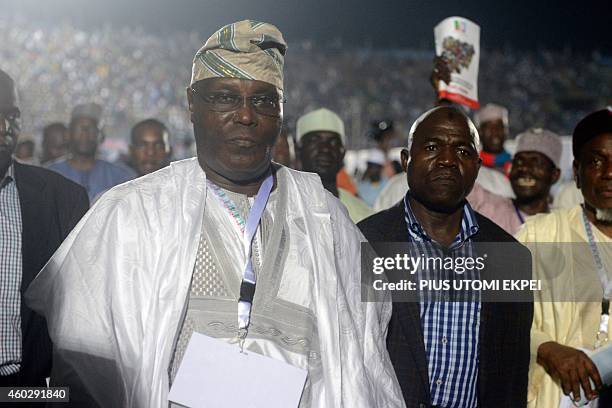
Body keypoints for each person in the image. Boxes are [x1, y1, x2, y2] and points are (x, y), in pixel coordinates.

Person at [26, 20, 404, 408]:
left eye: (263, 100)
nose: (245, 115)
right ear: (192, 104)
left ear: (280, 111)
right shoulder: (130, 214)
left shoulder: (326, 218)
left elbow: (366, 362)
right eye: (225, 97)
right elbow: (85, 369)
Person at [359, 106, 532, 407]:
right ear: (405, 160)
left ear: (477, 167)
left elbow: (510, 380)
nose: (448, 160)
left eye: (462, 151)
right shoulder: (364, 241)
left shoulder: (511, 257)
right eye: (431, 147)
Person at [517, 108, 612, 408]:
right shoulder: (538, 235)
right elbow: (496, 314)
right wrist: (546, 348)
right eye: (596, 161)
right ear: (577, 173)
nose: (609, 172)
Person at [0, 69, 88, 390]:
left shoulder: (62, 199)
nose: (3, 128)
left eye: (11, 116)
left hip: (27, 390)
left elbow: (82, 311)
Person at [469, 128, 562, 234]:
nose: (524, 168)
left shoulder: (564, 225)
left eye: (536, 162)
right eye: (519, 161)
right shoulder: (488, 207)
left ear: (555, 175)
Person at [296, 108, 373, 223]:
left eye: (333, 142)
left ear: (343, 153)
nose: (325, 148)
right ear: (298, 150)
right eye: (315, 141)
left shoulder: (364, 216)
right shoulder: (276, 207)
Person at [47, 102, 136, 200]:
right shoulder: (50, 174)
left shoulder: (120, 176)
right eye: (79, 129)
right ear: (68, 134)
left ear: (101, 136)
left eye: (91, 129)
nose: (85, 134)